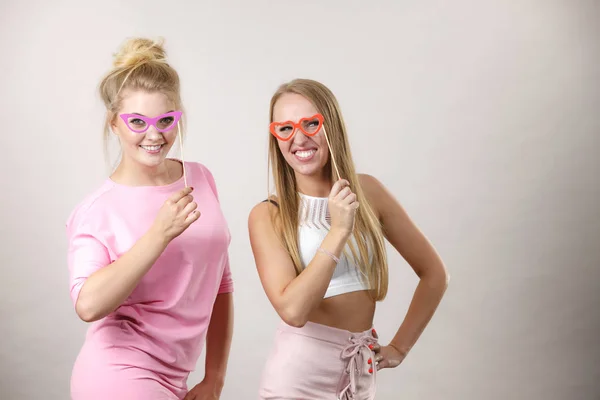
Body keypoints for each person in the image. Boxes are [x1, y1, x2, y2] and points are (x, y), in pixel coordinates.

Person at [248, 78, 450, 399]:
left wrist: (399, 347)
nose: (299, 138)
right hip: (297, 379)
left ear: (332, 127)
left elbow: (434, 274)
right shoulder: (269, 214)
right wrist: (339, 229)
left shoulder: (368, 191)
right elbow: (293, 311)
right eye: (284, 128)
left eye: (311, 124)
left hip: (359, 373)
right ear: (275, 137)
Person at [66, 37, 234, 400]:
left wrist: (215, 377)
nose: (155, 135)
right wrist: (159, 233)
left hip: (178, 378)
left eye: (166, 120)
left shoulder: (199, 179)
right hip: (119, 376)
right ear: (114, 124)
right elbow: (88, 305)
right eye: (138, 122)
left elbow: (220, 281)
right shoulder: (98, 210)